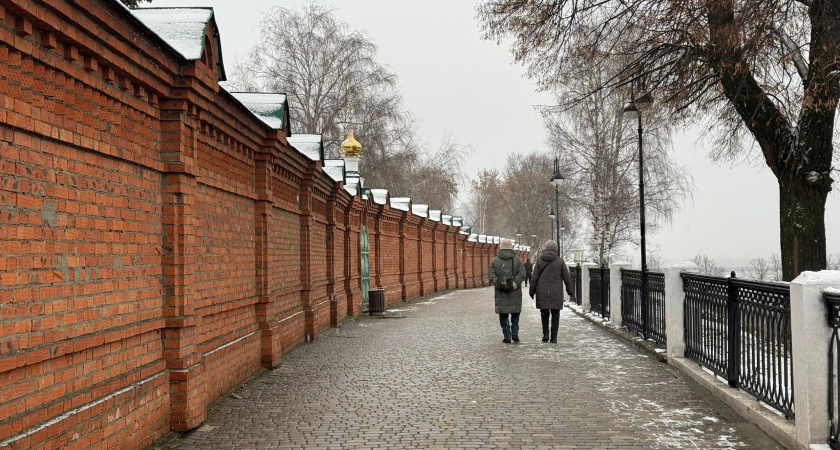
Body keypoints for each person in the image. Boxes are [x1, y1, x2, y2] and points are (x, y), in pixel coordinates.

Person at [529, 240, 573, 343]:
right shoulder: (560, 261)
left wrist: (532, 291)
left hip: (542, 292)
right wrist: (569, 290)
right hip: (556, 292)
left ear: (545, 249)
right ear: (556, 249)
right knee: (555, 314)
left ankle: (545, 333)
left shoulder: (540, 261)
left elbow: (534, 278)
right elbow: (567, 278)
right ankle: (554, 337)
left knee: (544, 313)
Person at [489, 239, 526, 344]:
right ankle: (515, 333)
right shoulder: (517, 260)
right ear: (511, 247)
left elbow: (491, 276)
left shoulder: (494, 261)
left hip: (501, 293)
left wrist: (501, 283)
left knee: (503, 315)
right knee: (515, 314)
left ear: (500, 247)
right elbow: (522, 273)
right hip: (515, 292)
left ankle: (507, 335)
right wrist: (513, 283)